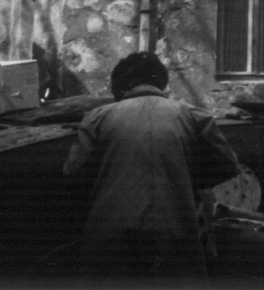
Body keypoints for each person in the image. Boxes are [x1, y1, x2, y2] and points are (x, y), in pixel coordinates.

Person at [63, 51, 243, 282]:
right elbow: (227, 165)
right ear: (162, 83)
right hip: (176, 229)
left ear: (120, 88)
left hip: (112, 233)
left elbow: (74, 172)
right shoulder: (194, 116)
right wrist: (181, 180)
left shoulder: (98, 117)